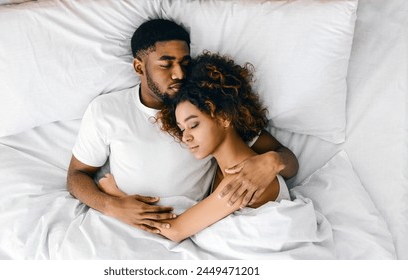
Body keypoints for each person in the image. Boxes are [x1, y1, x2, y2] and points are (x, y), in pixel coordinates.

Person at [67, 19, 299, 235]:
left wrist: (271, 161)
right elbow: (76, 176)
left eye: (184, 64)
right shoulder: (107, 110)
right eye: (166, 65)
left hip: (189, 224)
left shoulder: (207, 107)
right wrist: (112, 204)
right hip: (130, 222)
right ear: (139, 67)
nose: (178, 74)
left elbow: (286, 159)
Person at [98, 52, 290, 242]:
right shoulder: (220, 170)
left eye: (194, 125)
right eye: (181, 129)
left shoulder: (241, 180)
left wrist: (117, 196)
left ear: (224, 117)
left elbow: (174, 230)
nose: (186, 137)